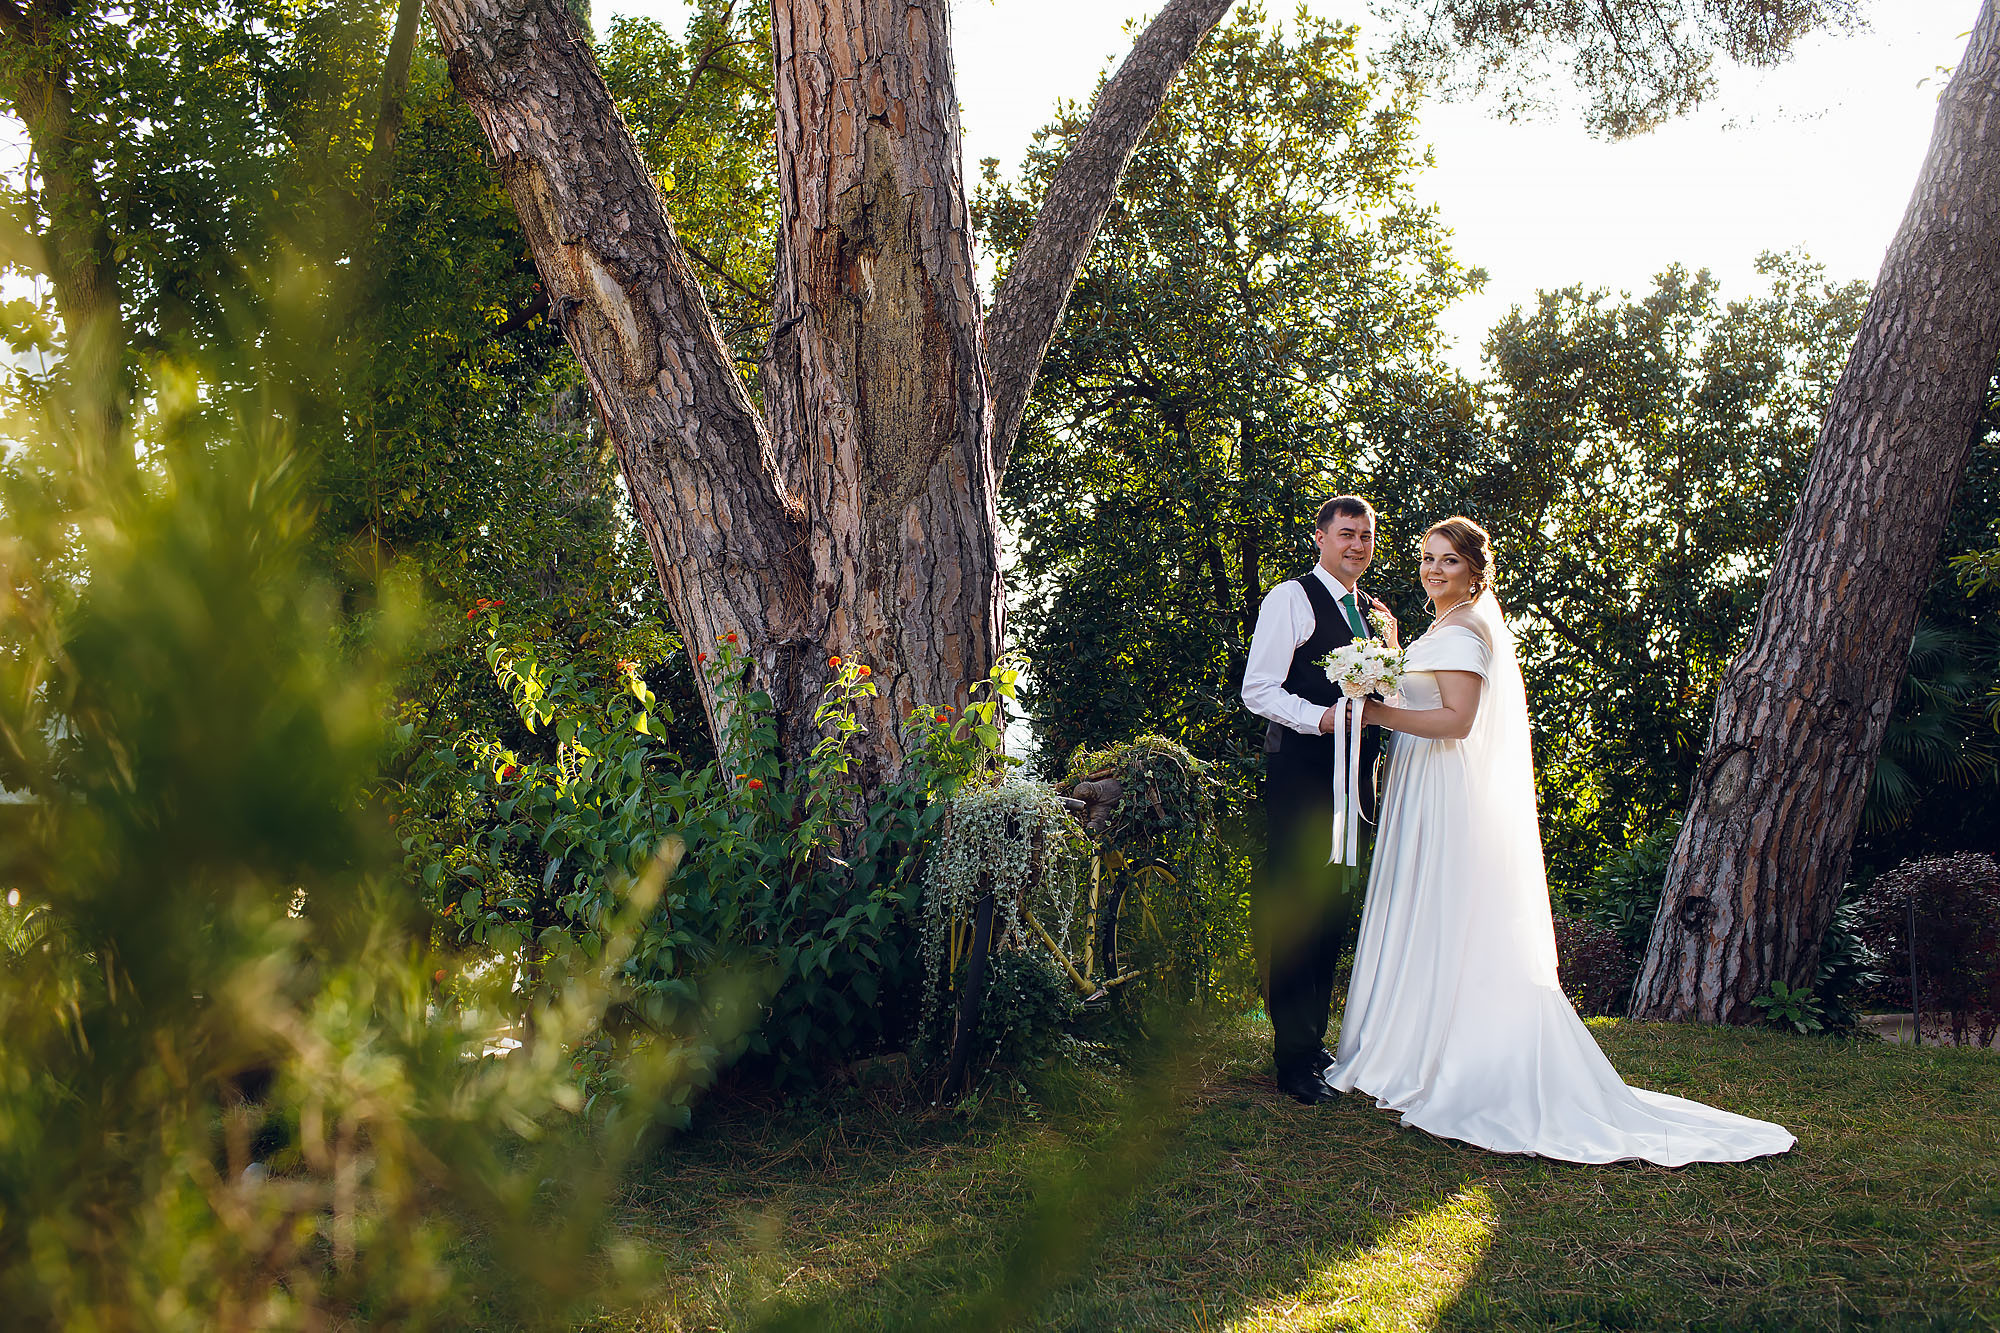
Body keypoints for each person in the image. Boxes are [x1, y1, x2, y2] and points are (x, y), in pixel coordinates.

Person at [1325, 516, 1794, 1164]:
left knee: (1444, 910)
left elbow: (1456, 721)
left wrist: (1373, 710)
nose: (1434, 569)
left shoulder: (1467, 629)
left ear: (1474, 571)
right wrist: (1393, 650)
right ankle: (1410, 1041)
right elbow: (1428, 688)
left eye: (1449, 560)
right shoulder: (1446, 626)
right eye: (1428, 558)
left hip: (1442, 786)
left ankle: (1446, 1055)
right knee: (1427, 910)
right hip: (1421, 782)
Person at [1241, 495, 1397, 1105]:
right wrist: (1322, 719)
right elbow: (1259, 689)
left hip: (1356, 783)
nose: (1357, 545)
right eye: (1346, 533)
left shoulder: (1371, 614)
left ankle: (1312, 1043)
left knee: (1333, 910)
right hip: (1303, 780)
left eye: (1366, 536)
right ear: (1321, 537)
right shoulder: (1291, 599)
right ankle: (1292, 1061)